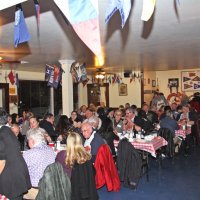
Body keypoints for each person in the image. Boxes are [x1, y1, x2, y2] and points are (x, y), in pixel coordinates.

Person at [0, 108, 31, 200]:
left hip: (11, 180)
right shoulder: (8, 131)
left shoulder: (2, 134)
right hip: (17, 176)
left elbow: (2, 161)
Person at [61, 132, 98, 200]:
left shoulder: (69, 160)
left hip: (76, 193)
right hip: (89, 191)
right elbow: (94, 172)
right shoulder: (87, 156)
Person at [23, 128, 56, 199]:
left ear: (32, 140)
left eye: (28, 140)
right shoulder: (51, 150)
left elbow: (21, 171)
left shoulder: (29, 154)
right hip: (49, 189)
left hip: (34, 191)